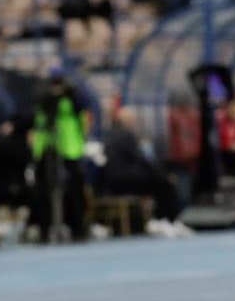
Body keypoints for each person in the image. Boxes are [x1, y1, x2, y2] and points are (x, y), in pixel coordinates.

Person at [101, 106, 190, 236]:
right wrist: (161, 174)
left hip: (112, 183)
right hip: (125, 181)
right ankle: (166, 220)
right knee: (164, 183)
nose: (133, 122)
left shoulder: (109, 135)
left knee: (159, 182)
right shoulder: (126, 135)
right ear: (126, 120)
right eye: (132, 120)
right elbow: (141, 159)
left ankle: (162, 219)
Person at [31, 69, 91, 241]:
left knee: (75, 189)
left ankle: (78, 227)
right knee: (44, 189)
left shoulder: (74, 97)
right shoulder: (44, 100)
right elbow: (38, 121)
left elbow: (83, 117)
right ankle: (45, 228)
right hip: (48, 147)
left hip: (70, 148)